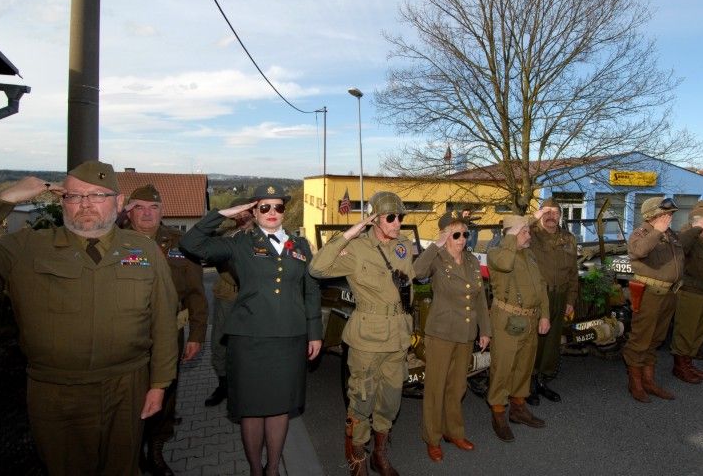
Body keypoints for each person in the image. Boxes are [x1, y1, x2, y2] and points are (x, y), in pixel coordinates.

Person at [0, 161, 178, 475]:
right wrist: (6, 199)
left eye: (97, 196)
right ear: (63, 201)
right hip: (56, 391)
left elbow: (163, 321)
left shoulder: (143, 250)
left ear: (119, 203)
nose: (85, 205)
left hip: (128, 387)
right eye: (75, 197)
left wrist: (159, 384)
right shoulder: (28, 247)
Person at [180, 182, 322, 476]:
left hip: (289, 339)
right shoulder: (239, 243)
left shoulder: (300, 245)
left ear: (285, 211)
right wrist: (222, 213)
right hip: (250, 340)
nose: (272, 212)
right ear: (253, 211)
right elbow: (191, 244)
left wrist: (315, 332)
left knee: (280, 406)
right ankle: (256, 469)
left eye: (278, 206)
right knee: (252, 408)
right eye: (264, 207)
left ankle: (273, 468)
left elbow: (311, 291)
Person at [309, 191, 415, 476]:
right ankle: (358, 458)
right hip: (368, 339)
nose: (397, 223)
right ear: (375, 219)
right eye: (391, 217)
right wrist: (349, 233)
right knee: (361, 400)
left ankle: (380, 454)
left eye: (400, 217)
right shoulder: (355, 249)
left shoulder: (403, 245)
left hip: (397, 337)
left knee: (390, 401)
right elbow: (317, 268)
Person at [121, 184, 209, 475]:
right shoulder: (115, 242)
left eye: (153, 207)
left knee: (166, 392)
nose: (147, 213)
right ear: (128, 211)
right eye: (140, 207)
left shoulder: (180, 243)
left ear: (163, 211)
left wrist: (196, 335)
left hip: (170, 333)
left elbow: (196, 292)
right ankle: (131, 451)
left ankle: (156, 449)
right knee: (128, 395)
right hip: (127, 335)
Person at [413, 212, 491, 462]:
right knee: (435, 387)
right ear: (446, 236)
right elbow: (416, 271)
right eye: (455, 234)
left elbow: (479, 297)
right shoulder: (437, 258)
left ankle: (453, 431)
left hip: (466, 333)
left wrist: (485, 330)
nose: (461, 239)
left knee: (458, 386)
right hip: (442, 333)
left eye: (465, 234)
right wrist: (436, 244)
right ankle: (432, 438)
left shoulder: (470, 260)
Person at [486, 215, 550, 442]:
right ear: (512, 233)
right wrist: (512, 238)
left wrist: (545, 315)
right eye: (525, 231)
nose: (529, 235)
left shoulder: (529, 254)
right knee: (503, 368)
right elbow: (504, 264)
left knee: (524, 366)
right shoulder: (496, 253)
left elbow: (541, 286)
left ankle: (518, 407)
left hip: (531, 320)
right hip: (507, 321)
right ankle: (499, 413)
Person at [624, 197, 683, 403]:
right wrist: (657, 231)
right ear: (653, 215)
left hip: (669, 294)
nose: (670, 217)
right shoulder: (642, 233)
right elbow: (639, 251)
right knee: (640, 339)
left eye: (671, 214)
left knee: (656, 339)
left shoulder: (671, 235)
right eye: (666, 214)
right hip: (649, 293)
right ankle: (635, 383)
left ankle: (649, 381)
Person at [204, 198, 255, 408]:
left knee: (249, 345)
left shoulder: (264, 236)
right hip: (228, 295)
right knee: (219, 343)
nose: (243, 217)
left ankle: (247, 386)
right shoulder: (225, 235)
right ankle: (223, 384)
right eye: (239, 214)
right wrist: (221, 216)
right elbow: (198, 240)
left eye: (247, 212)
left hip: (253, 298)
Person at [526, 198, 577, 406]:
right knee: (534, 341)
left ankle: (542, 380)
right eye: (546, 212)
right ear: (539, 214)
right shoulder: (531, 235)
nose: (551, 216)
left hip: (560, 295)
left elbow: (573, 272)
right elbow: (510, 232)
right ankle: (528, 383)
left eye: (555, 212)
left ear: (560, 216)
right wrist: (533, 218)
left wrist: (571, 299)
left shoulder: (568, 238)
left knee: (552, 342)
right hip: (538, 296)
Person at [670, 207, 703, 384]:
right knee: (686, 332)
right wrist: (696, 228)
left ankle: (688, 362)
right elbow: (680, 248)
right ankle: (680, 367)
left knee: (698, 333)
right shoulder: (689, 237)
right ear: (697, 223)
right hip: (691, 294)